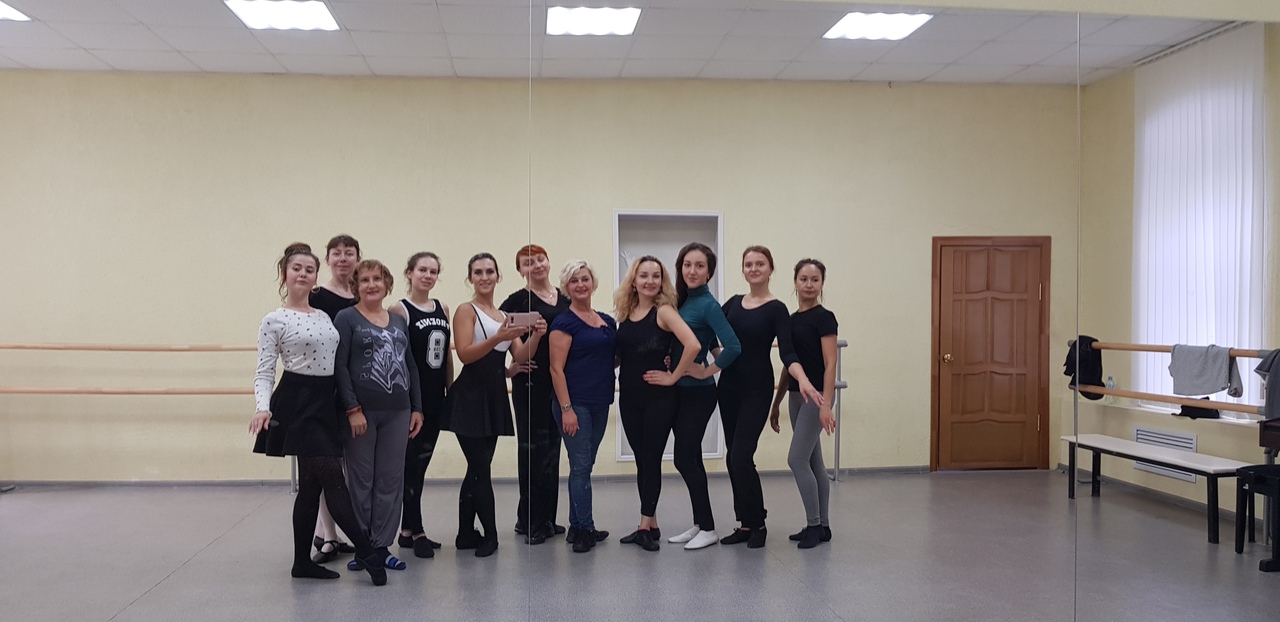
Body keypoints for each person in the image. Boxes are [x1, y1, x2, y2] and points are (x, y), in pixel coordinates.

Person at [250, 243, 386, 586]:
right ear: (285, 274)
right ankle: (367, 551)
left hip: (326, 401)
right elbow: (264, 370)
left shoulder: (324, 316)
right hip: (297, 402)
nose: (303, 274)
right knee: (333, 479)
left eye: (309, 270)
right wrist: (262, 406)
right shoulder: (274, 319)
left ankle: (301, 562)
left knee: (311, 486)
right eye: (296, 268)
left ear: (315, 277)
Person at [717, 246, 818, 549]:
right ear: (743, 269)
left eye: (760, 263)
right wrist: (715, 357)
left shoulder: (776, 309)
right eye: (748, 264)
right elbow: (707, 330)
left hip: (757, 389)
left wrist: (803, 380)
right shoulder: (732, 303)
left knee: (741, 455)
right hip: (729, 388)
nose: (754, 268)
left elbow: (788, 352)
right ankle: (745, 523)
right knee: (732, 456)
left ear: (770, 269)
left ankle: (758, 523)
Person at [446, 253, 545, 557]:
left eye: (490, 271)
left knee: (478, 468)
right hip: (469, 398)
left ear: (498, 276)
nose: (485, 277)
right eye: (478, 272)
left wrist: (537, 336)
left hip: (494, 396)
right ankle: (491, 536)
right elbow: (465, 354)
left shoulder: (503, 315)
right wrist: (498, 337)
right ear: (470, 278)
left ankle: (465, 534)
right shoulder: (466, 310)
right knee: (481, 470)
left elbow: (521, 355)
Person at [333, 260, 424, 572]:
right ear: (356, 286)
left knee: (390, 480)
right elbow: (340, 366)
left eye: (377, 279)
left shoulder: (398, 320)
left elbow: (410, 365)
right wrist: (352, 409)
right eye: (364, 280)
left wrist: (417, 407)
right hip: (361, 413)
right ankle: (363, 548)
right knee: (361, 481)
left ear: (387, 284)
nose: (371, 284)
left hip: (398, 412)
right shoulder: (346, 318)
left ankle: (382, 546)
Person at [613, 256, 701, 552]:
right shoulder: (625, 313)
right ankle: (651, 524)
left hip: (658, 399)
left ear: (662, 281)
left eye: (656, 276)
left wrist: (673, 376)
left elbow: (693, 344)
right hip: (629, 397)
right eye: (644, 275)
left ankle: (643, 525)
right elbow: (623, 354)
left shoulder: (663, 311)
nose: (650, 281)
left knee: (651, 459)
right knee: (642, 460)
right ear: (634, 281)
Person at [658, 242, 740, 551]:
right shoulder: (680, 301)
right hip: (678, 392)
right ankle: (700, 523)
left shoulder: (708, 304)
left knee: (683, 458)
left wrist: (706, 371)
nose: (692, 271)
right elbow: (706, 340)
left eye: (700, 266)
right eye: (687, 265)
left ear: (709, 273)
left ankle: (708, 527)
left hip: (698, 395)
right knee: (692, 458)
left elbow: (733, 346)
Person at [498, 244, 569, 544]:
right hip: (530, 385)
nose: (536, 265)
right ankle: (531, 522)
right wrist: (513, 366)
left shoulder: (565, 299)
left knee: (553, 451)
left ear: (549, 262)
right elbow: (513, 351)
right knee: (533, 452)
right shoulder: (515, 302)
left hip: (560, 383)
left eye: (540, 259)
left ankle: (546, 518)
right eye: (528, 263)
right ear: (520, 271)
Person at [547, 261, 616, 553]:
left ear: (593, 282)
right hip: (574, 404)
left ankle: (576, 526)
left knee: (583, 466)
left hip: (600, 401)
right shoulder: (563, 323)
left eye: (585, 279)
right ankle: (585, 529)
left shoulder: (606, 321)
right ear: (566, 287)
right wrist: (566, 409)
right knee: (581, 466)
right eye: (574, 281)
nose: (580, 285)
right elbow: (555, 369)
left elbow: (612, 357)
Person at [769, 258, 838, 550]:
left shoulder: (825, 317)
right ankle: (823, 526)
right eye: (804, 279)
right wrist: (777, 402)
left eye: (815, 280)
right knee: (813, 462)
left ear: (822, 284)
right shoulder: (790, 320)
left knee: (796, 459)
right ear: (795, 282)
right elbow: (789, 363)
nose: (809, 285)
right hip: (796, 397)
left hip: (816, 397)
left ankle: (814, 525)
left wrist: (826, 404)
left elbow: (830, 363)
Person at [389, 252, 452, 559]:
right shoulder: (399, 309)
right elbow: (399, 358)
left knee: (421, 465)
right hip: (413, 400)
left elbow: (447, 355)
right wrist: (411, 402)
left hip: (436, 397)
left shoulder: (443, 308)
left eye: (433, 271)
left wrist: (450, 391)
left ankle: (406, 531)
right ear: (409, 273)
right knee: (411, 465)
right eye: (422, 270)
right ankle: (418, 531)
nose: (428, 275)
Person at [308, 234, 361, 563]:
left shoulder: (362, 294)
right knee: (326, 464)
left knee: (349, 464)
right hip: (324, 387)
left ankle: (340, 530)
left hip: (356, 386)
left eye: (349, 253)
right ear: (327, 259)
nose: (343, 258)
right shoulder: (316, 296)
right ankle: (329, 536)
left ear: (358, 258)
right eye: (337, 253)